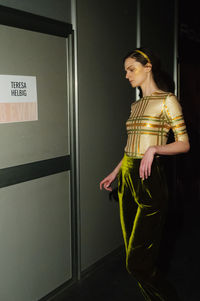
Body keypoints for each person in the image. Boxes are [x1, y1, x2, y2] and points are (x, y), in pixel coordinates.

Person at [99, 47, 190, 300]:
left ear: (147, 67)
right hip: (128, 176)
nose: (127, 75)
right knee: (133, 255)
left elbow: (184, 143)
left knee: (137, 263)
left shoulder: (167, 100)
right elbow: (132, 146)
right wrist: (116, 171)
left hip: (149, 179)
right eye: (126, 71)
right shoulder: (135, 105)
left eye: (131, 69)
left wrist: (155, 149)